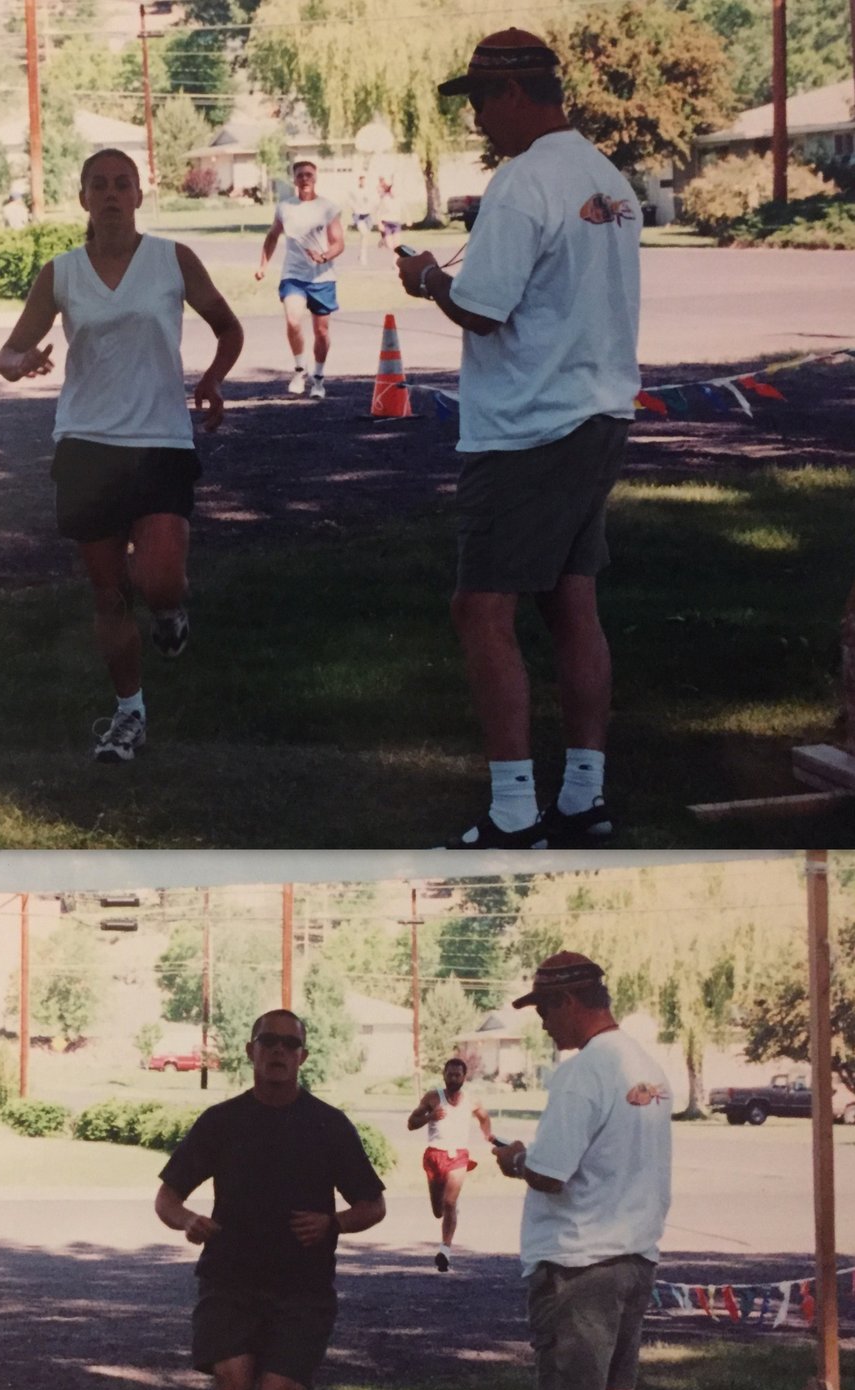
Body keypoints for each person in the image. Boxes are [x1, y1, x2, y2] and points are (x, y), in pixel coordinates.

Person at [395, 29, 641, 848]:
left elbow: (482, 309)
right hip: (599, 412)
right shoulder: (604, 178)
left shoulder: (522, 180)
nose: (474, 120)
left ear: (511, 94)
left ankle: (511, 815)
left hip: (528, 427)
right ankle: (582, 796)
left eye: (475, 101)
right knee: (572, 602)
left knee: (479, 609)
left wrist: (428, 277)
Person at [0, 148, 244, 763]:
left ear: (139, 194)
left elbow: (228, 327)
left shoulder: (173, 259)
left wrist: (211, 381)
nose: (110, 195)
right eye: (98, 186)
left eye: (121, 185)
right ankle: (129, 713)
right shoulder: (60, 273)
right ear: (82, 198)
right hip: (86, 444)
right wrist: (21, 363)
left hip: (160, 440)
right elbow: (7, 352)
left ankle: (169, 612)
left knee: (158, 579)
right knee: (109, 595)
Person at [155, 1008, 386, 1390]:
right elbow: (168, 1196)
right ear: (250, 1050)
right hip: (229, 1281)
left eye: (290, 1044)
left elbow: (372, 1204)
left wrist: (334, 1223)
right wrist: (187, 1220)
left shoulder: (328, 1124)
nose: (279, 1051)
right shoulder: (221, 1121)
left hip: (301, 1288)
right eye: (269, 1041)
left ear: (303, 1056)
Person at [493, 952, 672, 1390]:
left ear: (570, 1002)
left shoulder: (583, 1072)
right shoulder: (646, 1065)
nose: (541, 1023)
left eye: (543, 1009)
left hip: (577, 1262)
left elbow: (550, 1171)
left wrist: (513, 1158)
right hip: (633, 1254)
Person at [255, 160, 344, 400]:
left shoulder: (328, 207)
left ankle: (319, 378)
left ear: (315, 178)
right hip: (293, 275)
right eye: (300, 175)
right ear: (294, 179)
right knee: (293, 321)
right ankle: (299, 370)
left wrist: (324, 256)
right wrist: (263, 265)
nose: (305, 179)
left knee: (321, 332)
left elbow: (339, 242)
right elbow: (272, 236)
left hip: (322, 277)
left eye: (309, 175)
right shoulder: (285, 207)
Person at [407, 1052, 493, 1271]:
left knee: (450, 1202)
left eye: (458, 1075)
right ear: (443, 1075)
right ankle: (450, 1214)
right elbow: (411, 1123)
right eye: (450, 1075)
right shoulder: (432, 1098)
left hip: (458, 1155)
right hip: (435, 1155)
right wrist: (430, 1117)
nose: (454, 1078)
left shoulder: (472, 1100)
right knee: (438, 1210)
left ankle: (445, 1250)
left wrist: (488, 1135)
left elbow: (484, 1117)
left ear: (465, 1077)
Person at [350, 173, 374, 265]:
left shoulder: (369, 191)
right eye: (361, 179)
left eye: (364, 180)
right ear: (359, 180)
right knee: (364, 234)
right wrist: (355, 209)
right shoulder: (355, 191)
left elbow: (372, 202)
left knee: (366, 236)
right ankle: (363, 256)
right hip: (358, 215)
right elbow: (350, 201)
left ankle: (362, 253)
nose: (363, 182)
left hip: (367, 215)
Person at [374, 177, 402, 250]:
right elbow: (378, 211)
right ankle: (384, 240)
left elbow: (404, 209)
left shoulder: (399, 199)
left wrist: (409, 218)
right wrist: (379, 223)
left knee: (397, 245)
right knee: (390, 246)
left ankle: (396, 261)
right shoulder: (384, 198)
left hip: (396, 222)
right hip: (386, 222)